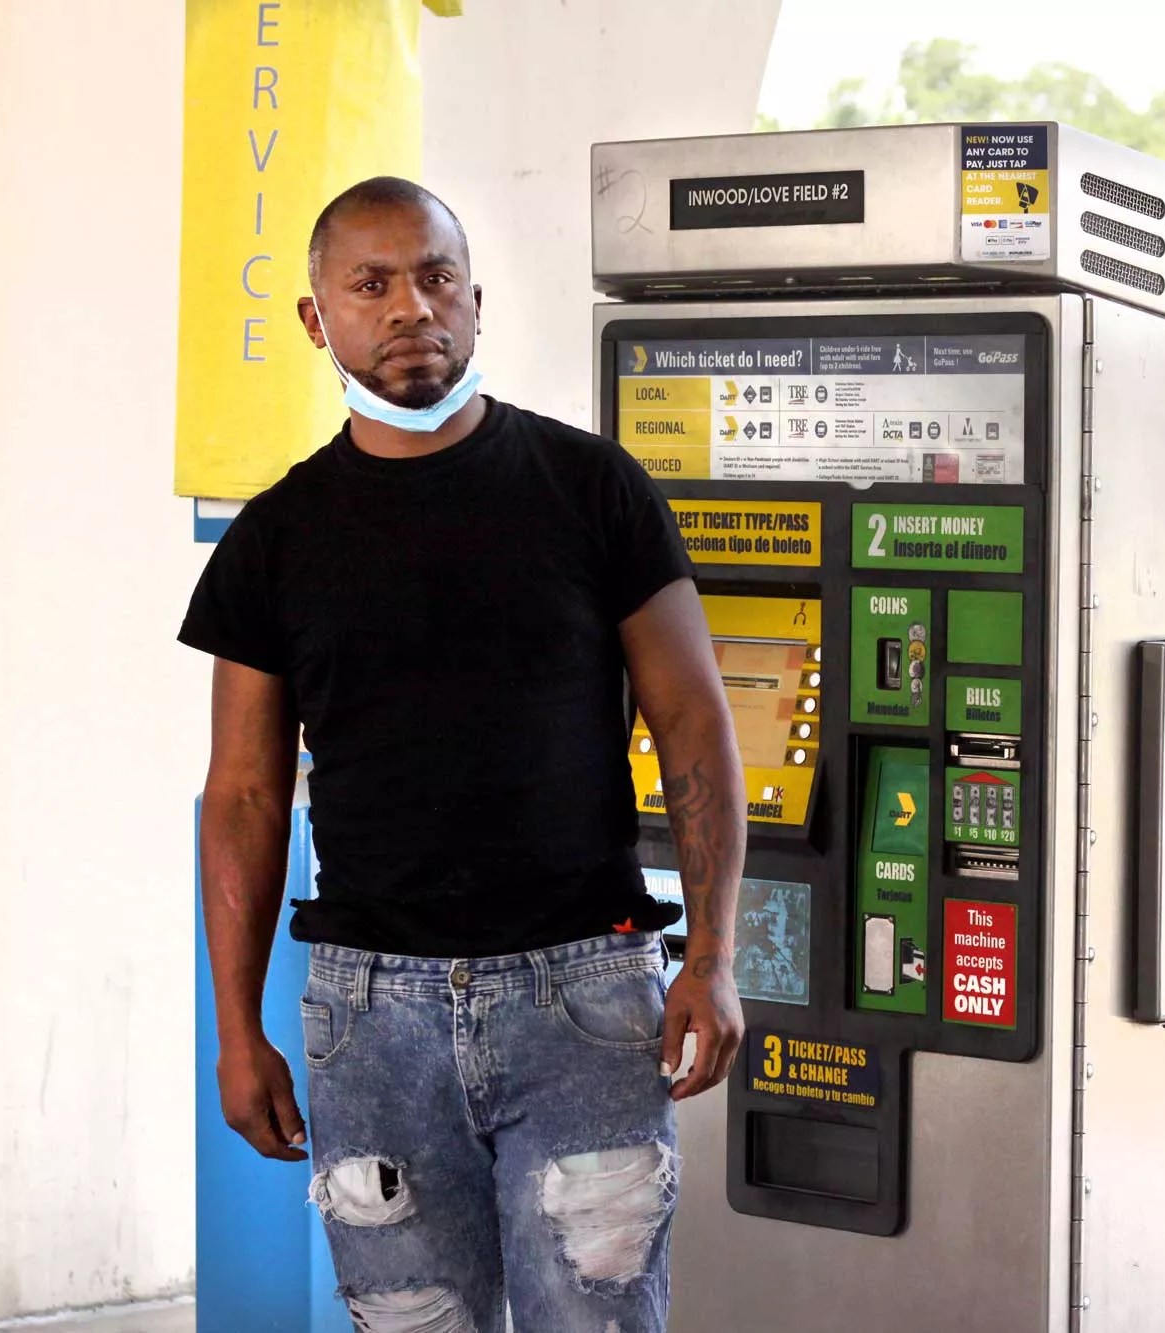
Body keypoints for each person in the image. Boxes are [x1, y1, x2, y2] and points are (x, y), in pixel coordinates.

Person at [180, 176, 745, 1333]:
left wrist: (713, 954)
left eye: (436, 277)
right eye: (371, 284)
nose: (410, 308)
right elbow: (243, 794)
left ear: (475, 302)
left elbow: (692, 721)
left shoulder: (591, 489)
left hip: (586, 995)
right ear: (317, 319)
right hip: (369, 1017)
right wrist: (238, 1033)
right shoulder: (274, 540)